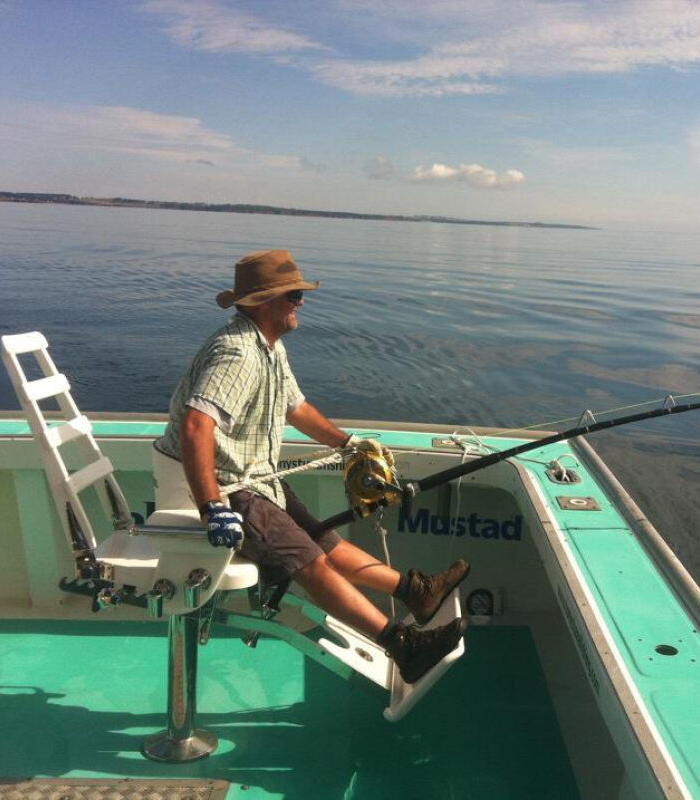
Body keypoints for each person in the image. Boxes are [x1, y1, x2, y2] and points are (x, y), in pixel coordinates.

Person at [153, 249, 468, 684]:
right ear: (263, 301)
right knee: (310, 560)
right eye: (293, 295)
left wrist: (348, 444)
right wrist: (211, 508)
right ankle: (404, 647)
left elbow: (296, 408)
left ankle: (417, 593)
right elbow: (195, 426)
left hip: (252, 476)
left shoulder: (269, 348)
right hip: (223, 486)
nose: (301, 301)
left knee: (323, 539)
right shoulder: (237, 353)